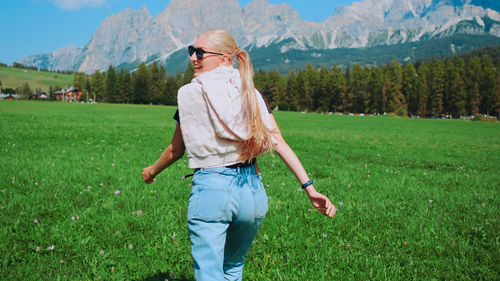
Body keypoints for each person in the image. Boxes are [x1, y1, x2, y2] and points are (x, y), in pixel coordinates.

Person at [142, 29, 335, 281]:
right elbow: (279, 142)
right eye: (192, 51)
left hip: (212, 191)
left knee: (210, 274)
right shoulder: (251, 93)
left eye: (199, 53)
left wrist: (151, 171)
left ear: (224, 58)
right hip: (252, 195)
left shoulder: (191, 94)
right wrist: (309, 188)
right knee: (232, 267)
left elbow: (176, 149)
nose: (193, 58)